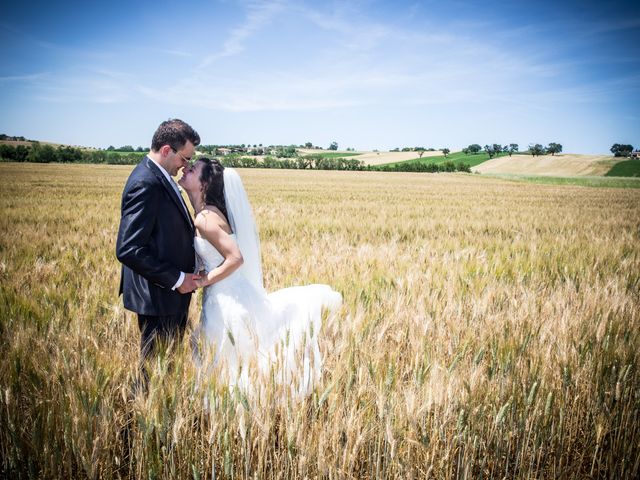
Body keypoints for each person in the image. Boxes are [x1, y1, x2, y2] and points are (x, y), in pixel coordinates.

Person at [178, 158, 342, 397]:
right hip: (229, 292)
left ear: (203, 185)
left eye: (192, 170)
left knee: (226, 363)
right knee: (231, 360)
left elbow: (235, 258)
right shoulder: (209, 213)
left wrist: (204, 281)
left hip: (224, 300)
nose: (185, 169)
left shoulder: (204, 219)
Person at [116, 119, 201, 387]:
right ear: (167, 150)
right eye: (185, 157)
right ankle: (134, 428)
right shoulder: (146, 183)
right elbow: (128, 248)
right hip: (159, 297)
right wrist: (177, 279)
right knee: (152, 376)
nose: (186, 165)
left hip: (168, 296)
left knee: (163, 373)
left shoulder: (159, 177)